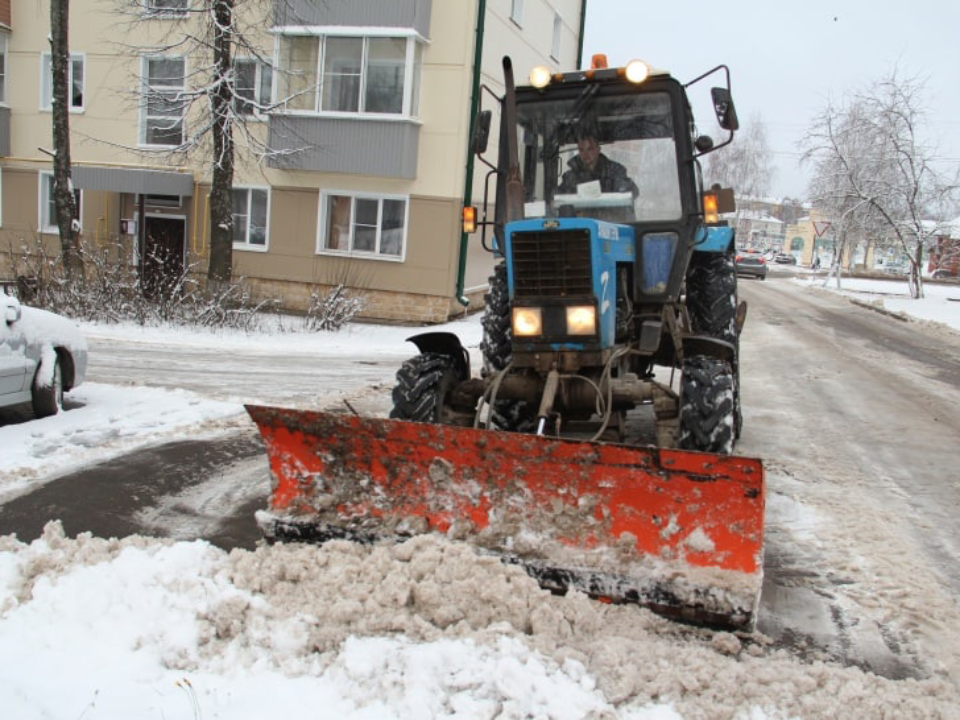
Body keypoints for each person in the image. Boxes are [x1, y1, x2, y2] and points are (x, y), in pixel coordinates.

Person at [558, 134, 639, 198]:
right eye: (581, 150)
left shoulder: (615, 171)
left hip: (609, 219)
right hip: (581, 219)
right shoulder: (570, 177)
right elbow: (558, 196)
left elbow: (631, 191)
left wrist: (624, 189)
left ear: (598, 149)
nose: (585, 154)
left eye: (590, 149)